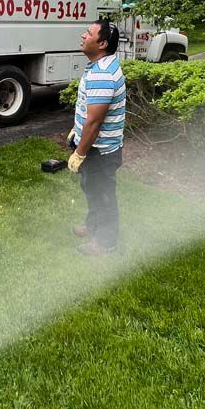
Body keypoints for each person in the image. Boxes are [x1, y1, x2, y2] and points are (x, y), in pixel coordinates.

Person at [67, 19, 126, 256]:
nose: (83, 36)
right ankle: (93, 226)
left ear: (101, 43)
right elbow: (87, 112)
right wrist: (76, 130)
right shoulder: (99, 65)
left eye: (88, 33)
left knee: (103, 194)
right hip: (95, 147)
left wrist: (79, 153)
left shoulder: (102, 74)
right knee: (92, 189)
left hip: (100, 152)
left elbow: (94, 121)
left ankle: (106, 242)